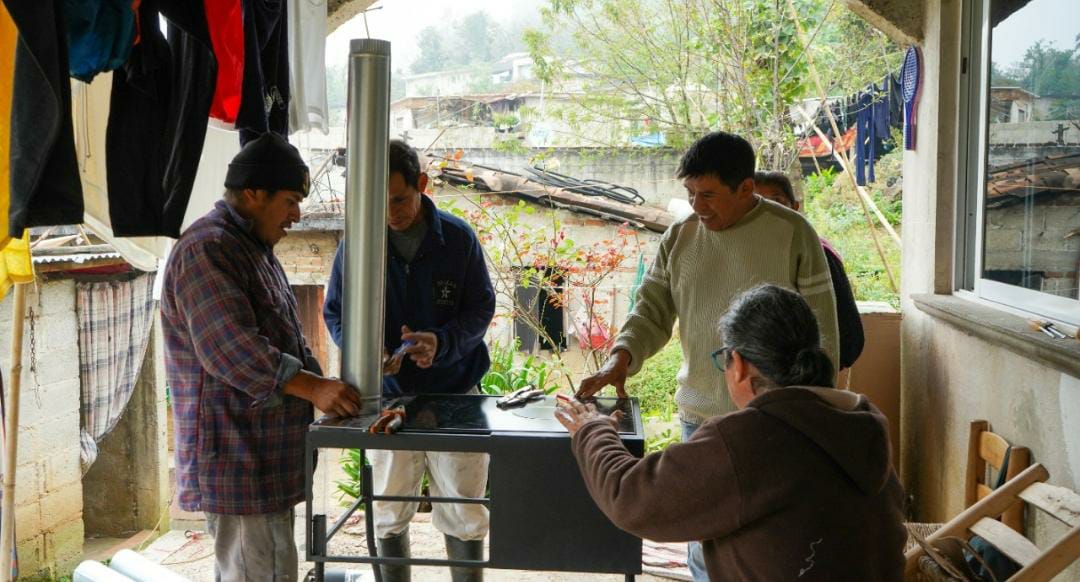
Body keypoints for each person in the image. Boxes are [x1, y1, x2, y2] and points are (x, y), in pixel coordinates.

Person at [575, 131, 840, 580]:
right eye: (690, 193)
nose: (697, 206)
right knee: (703, 547)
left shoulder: (792, 233)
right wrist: (622, 356)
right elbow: (651, 310)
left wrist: (816, 411)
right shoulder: (680, 236)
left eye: (709, 195)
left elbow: (822, 333)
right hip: (702, 419)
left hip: (777, 424)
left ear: (746, 187)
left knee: (768, 547)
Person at [558, 284, 906, 581]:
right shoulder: (860, 423)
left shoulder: (749, 440)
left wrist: (592, 430)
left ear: (737, 364)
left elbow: (633, 498)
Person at [161, 132, 363, 582]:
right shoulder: (208, 248)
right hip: (238, 459)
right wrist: (315, 388)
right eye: (290, 201)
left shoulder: (254, 249)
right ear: (253, 194)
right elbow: (231, 350)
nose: (297, 215)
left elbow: (288, 340)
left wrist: (331, 389)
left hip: (264, 461)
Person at [323, 139, 496, 582]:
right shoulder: (358, 245)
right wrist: (367, 353)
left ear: (421, 183)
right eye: (379, 202)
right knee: (388, 506)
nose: (390, 213)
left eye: (399, 199)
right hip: (390, 398)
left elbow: (481, 308)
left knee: (464, 508)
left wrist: (443, 342)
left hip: (456, 394)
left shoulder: (458, 239)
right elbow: (336, 313)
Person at [754, 170, 865, 371]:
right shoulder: (749, 252)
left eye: (776, 202)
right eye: (759, 203)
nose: (768, 212)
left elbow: (847, 332)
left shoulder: (818, 253)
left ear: (795, 208)